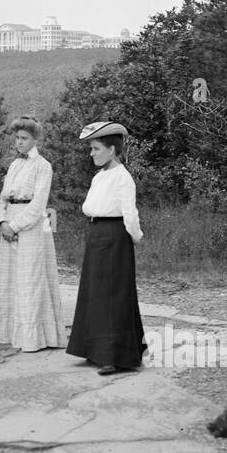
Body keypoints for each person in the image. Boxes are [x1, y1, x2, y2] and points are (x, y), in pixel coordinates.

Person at [66, 121, 146, 375]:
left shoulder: (123, 177)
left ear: (112, 150)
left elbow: (129, 212)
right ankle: (93, 348)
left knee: (113, 294)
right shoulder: (100, 176)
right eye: (91, 148)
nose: (92, 153)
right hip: (97, 234)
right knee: (95, 293)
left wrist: (135, 236)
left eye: (96, 148)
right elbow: (91, 206)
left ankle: (115, 355)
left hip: (114, 237)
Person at [0, 116, 64, 351]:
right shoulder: (15, 165)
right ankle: (6, 332)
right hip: (9, 222)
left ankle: (32, 337)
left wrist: (15, 226)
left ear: (34, 140)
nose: (19, 142)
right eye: (17, 138)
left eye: (24, 138)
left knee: (29, 279)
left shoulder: (43, 166)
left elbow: (39, 205)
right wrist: (2, 220)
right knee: (9, 279)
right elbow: (3, 197)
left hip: (30, 227)